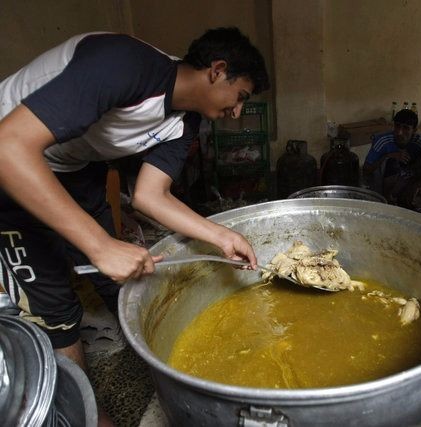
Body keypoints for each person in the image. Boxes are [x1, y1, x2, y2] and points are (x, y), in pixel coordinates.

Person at [0, 27, 269, 425]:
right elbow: (8, 147)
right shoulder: (121, 64)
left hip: (73, 169)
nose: (237, 112)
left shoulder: (185, 123)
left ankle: (167, 378)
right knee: (54, 310)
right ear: (217, 70)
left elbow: (150, 195)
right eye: (240, 97)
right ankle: (84, 415)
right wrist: (98, 245)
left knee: (126, 283)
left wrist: (222, 235)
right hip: (11, 168)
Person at [363, 109, 421, 209]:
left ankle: (407, 199)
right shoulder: (383, 141)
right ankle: (387, 200)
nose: (400, 132)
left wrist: (416, 186)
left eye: (406, 128)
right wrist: (388, 156)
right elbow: (366, 169)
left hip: (408, 181)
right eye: (397, 126)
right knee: (391, 162)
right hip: (383, 184)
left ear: (414, 130)